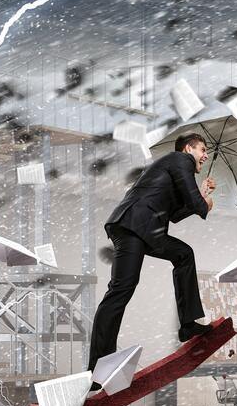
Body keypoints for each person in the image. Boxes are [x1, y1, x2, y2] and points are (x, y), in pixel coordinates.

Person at [87, 132, 217, 376]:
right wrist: (205, 203)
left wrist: (202, 195)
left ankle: (188, 325)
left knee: (183, 254)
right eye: (202, 150)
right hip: (132, 225)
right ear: (188, 149)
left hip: (146, 229)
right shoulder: (180, 160)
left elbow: (175, 214)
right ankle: (97, 368)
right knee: (121, 290)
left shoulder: (176, 168)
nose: (206, 155)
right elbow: (198, 207)